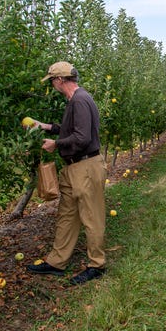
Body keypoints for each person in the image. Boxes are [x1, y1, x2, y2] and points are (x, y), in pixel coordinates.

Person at [25, 61, 108, 285]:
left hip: (86, 167)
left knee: (92, 217)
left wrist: (56, 144)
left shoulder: (80, 100)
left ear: (60, 80)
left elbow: (82, 139)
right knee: (67, 215)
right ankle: (57, 262)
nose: (52, 85)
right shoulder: (74, 101)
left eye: (52, 80)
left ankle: (97, 265)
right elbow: (72, 130)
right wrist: (46, 127)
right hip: (73, 168)